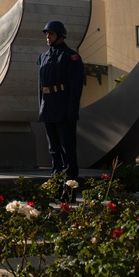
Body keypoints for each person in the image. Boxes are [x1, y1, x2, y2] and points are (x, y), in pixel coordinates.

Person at [38, 20, 84, 182]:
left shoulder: (70, 57)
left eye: (51, 34)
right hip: (49, 106)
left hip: (63, 107)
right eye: (47, 34)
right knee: (53, 149)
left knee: (67, 149)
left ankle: (69, 184)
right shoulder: (44, 57)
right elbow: (41, 86)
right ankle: (56, 181)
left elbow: (76, 87)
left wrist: (72, 111)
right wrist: (41, 107)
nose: (48, 37)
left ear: (60, 35)